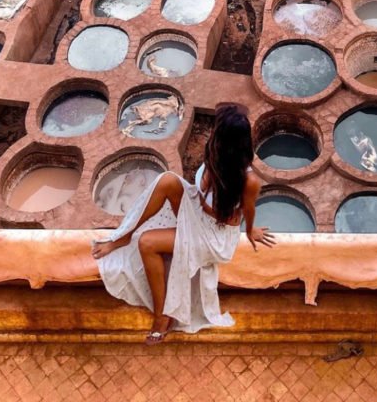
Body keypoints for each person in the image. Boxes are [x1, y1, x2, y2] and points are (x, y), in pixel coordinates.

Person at [91, 104, 274, 343]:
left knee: (147, 243)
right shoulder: (215, 153)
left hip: (212, 235)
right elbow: (199, 194)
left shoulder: (248, 181)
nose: (213, 133)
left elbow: (247, 210)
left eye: (217, 130)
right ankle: (124, 236)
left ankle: (162, 315)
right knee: (167, 180)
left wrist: (251, 231)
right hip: (195, 213)